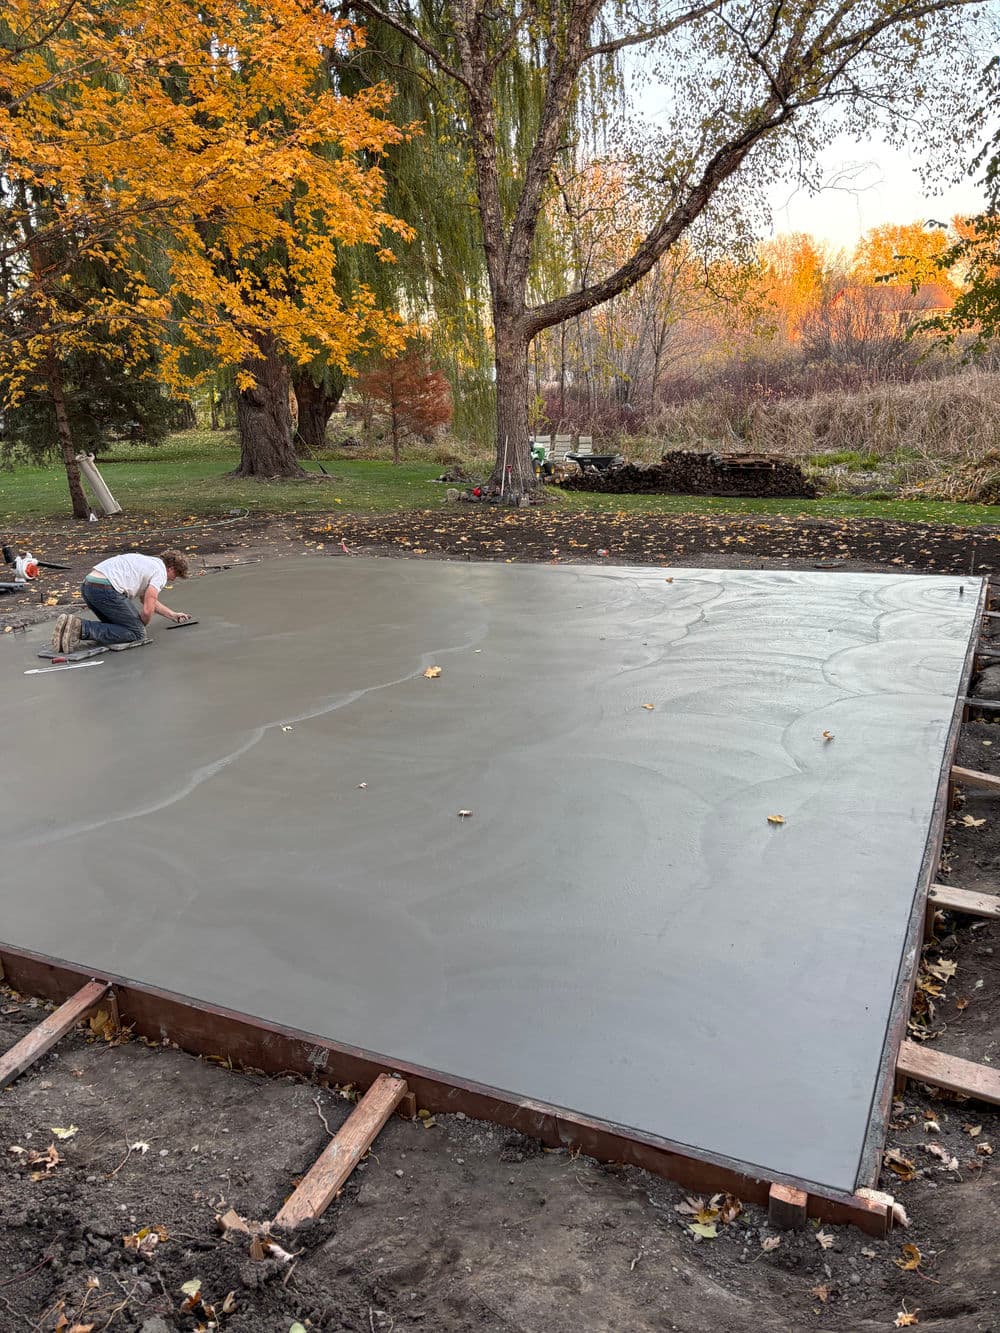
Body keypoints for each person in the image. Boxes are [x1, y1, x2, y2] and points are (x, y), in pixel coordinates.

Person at [52, 549, 191, 653]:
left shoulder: (148, 562)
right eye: (176, 575)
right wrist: (140, 625)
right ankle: (80, 627)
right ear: (171, 568)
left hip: (88, 585)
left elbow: (146, 599)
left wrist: (172, 615)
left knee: (118, 626)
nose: (173, 579)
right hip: (105, 588)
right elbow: (148, 610)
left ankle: (67, 626)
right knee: (136, 633)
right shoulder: (160, 572)